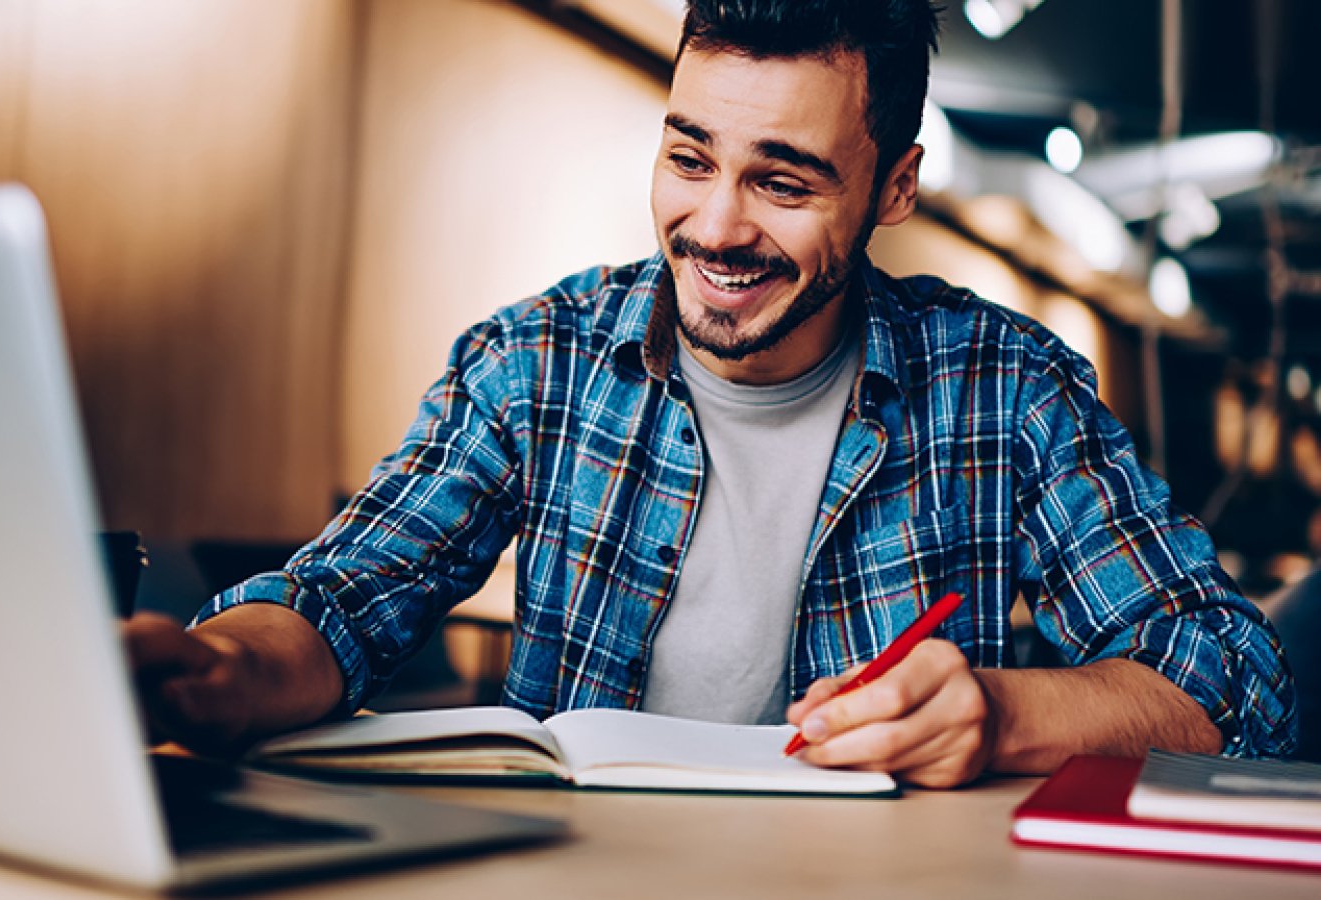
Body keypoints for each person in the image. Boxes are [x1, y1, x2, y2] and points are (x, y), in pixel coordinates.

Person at [125, 0, 1297, 788]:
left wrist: (1001, 713)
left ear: (893, 187)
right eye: (688, 159)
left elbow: (1238, 686)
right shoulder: (538, 359)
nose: (716, 226)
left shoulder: (1008, 389)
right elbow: (344, 600)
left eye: (781, 181)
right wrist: (221, 670)